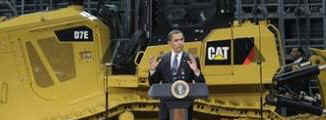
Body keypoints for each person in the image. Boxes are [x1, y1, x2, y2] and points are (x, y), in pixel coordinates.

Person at [149, 29, 205, 120]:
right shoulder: (162, 59)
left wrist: (196, 71)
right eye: (176, 40)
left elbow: (201, 83)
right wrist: (152, 70)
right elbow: (153, 83)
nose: (180, 43)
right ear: (169, 43)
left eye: (181, 40)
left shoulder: (192, 59)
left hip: (185, 105)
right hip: (166, 105)